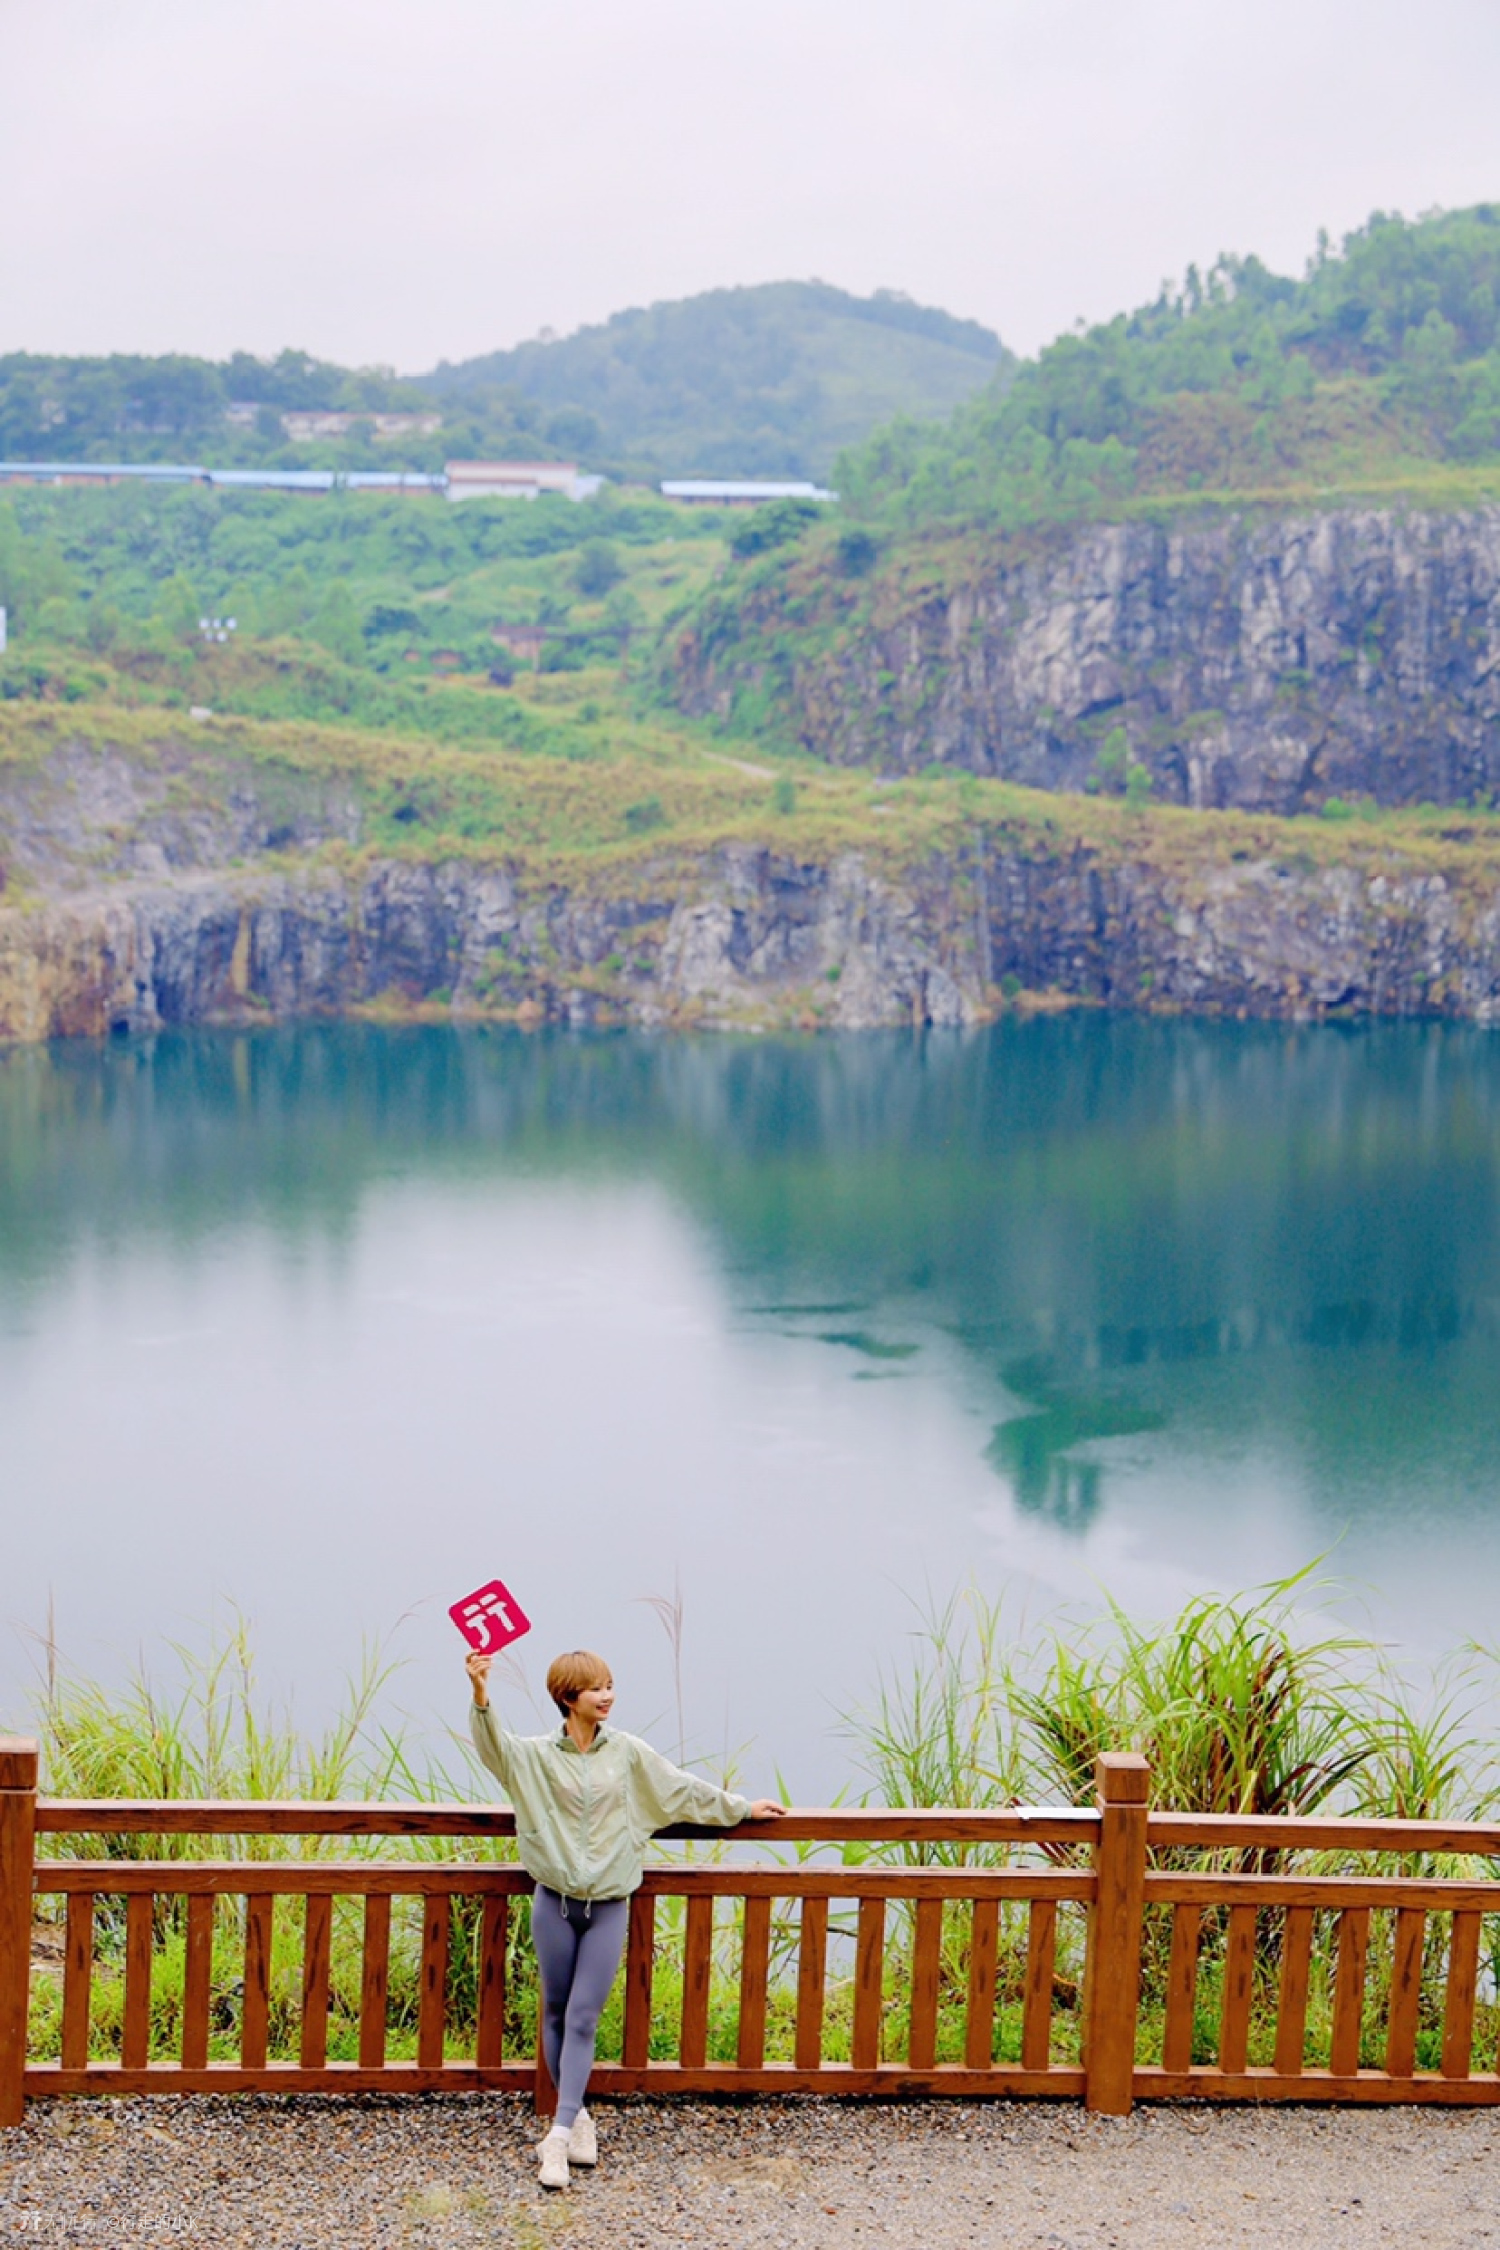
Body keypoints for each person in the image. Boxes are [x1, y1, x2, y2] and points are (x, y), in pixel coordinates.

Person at [467, 1645, 785, 2190]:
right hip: (554, 1901)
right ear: (568, 1697)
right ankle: (578, 2118)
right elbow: (496, 1750)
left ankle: (558, 2138)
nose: (608, 1695)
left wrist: (740, 1809)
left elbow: (679, 1790)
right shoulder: (539, 1756)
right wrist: (480, 1690)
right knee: (557, 2012)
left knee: (585, 2017)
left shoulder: (628, 1753)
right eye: (596, 1688)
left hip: (610, 1902)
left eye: (611, 1684)